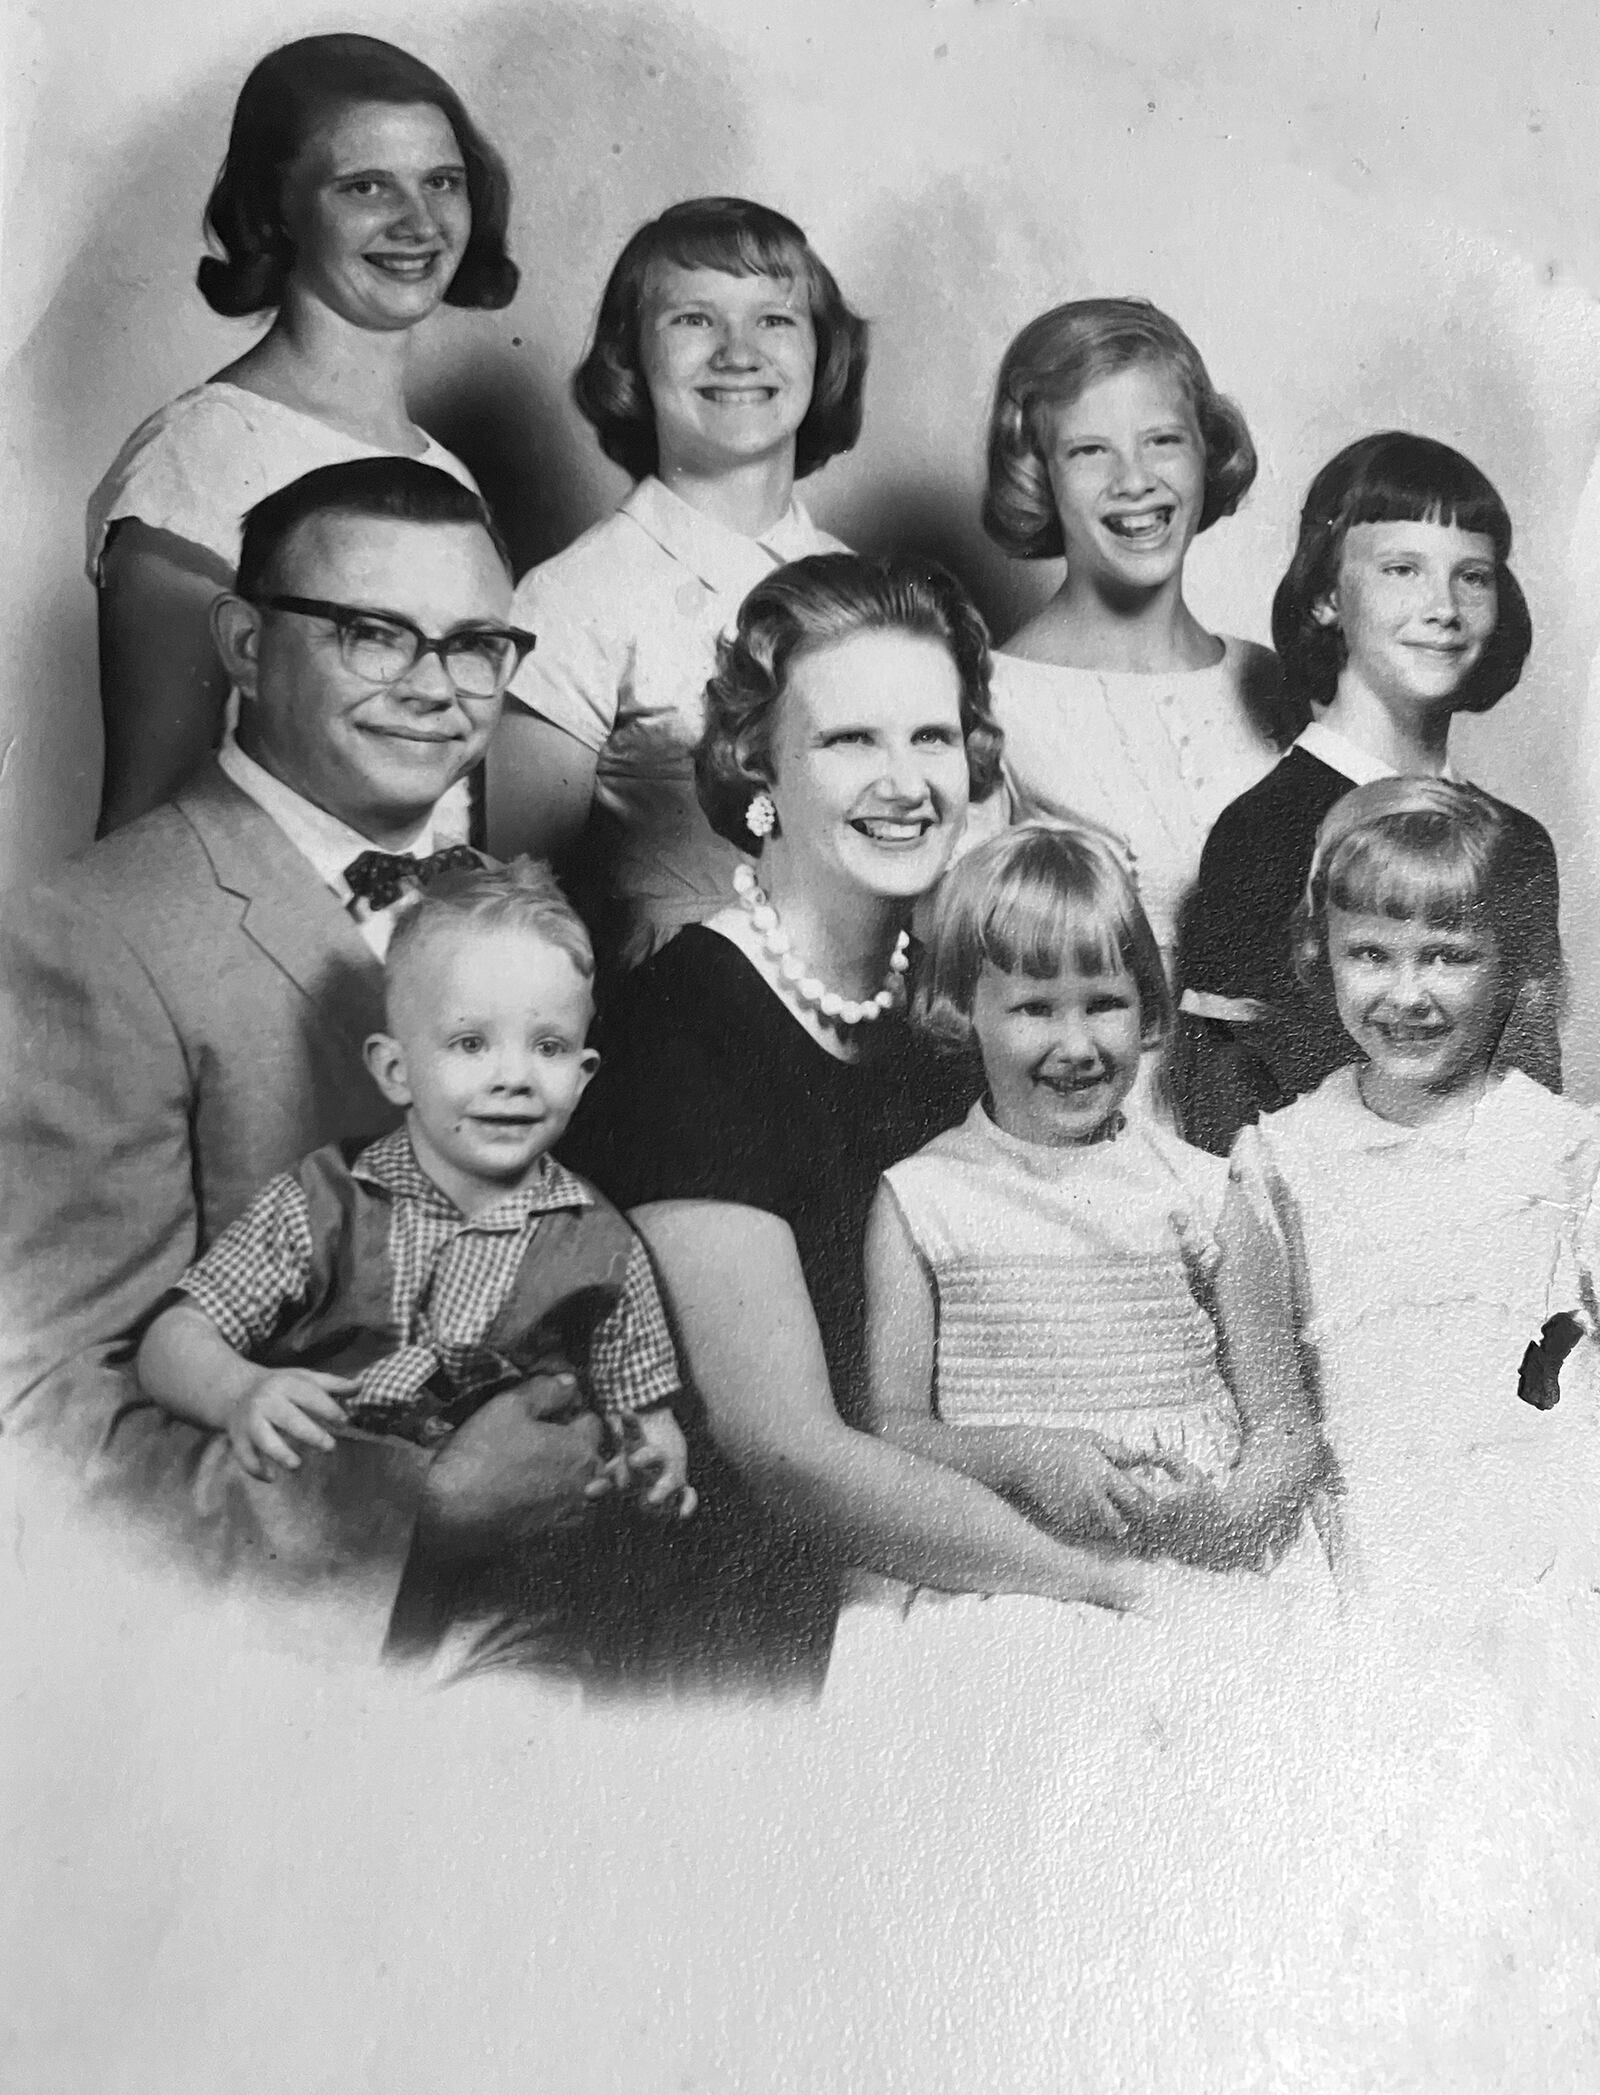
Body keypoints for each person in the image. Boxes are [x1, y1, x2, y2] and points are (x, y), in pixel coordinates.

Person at [0, 459, 611, 1637]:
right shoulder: (85, 937)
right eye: (375, 635)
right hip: (277, 1683)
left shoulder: (510, 912)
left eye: (477, 643)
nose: (437, 688)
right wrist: (417, 1507)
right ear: (242, 643)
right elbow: (43, 1430)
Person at [559, 552, 1138, 1692]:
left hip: (930, 1573)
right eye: (849, 741)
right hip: (723, 1616)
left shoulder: (950, 1013)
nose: (905, 781)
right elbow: (790, 1454)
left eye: (930, 737)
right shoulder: (680, 1032)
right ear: (757, 769)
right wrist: (1107, 1584)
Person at [856, 822, 1322, 1583]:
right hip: (1010, 1568)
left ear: (1147, 1007)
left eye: (1103, 1002)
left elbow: (1286, 1426)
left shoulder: (1206, 1191)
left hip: (1195, 1559)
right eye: (1035, 1009)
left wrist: (1231, 1516)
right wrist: (1021, 1457)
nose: (1076, 1045)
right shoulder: (922, 1198)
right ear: (961, 1010)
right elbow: (892, 1428)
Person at [88, 34, 517, 834]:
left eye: (442, 183)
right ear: (275, 207)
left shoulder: (449, 477)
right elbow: (147, 833)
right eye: (365, 187)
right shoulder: (200, 458)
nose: (418, 223)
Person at [1229, 778, 1592, 1627]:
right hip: (1367, 1574)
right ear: (1323, 953)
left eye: (1449, 954)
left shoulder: (1572, 1153)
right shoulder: (1279, 1162)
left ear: (1515, 963)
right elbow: (1277, 1422)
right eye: (1372, 953)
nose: (1408, 993)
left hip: (1549, 1572)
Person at [486, 197, 868, 970]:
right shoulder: (570, 599)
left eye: (775, 319)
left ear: (822, 353)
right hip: (666, 1037)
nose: (738, 351)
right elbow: (515, 908)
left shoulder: (867, 591)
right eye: (694, 319)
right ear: (631, 358)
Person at [1175, 431, 1561, 1154]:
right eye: (1402, 569)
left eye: (1472, 576)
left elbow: (1537, 1101)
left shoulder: (1520, 843)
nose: (1443, 605)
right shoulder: (1264, 831)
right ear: (1325, 595)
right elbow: (1225, 1123)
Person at [980, 298, 1287, 990]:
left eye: (1163, 440)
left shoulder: (1270, 679)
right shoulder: (990, 698)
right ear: (1039, 475)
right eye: (1089, 451)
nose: (1135, 480)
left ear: (1208, 450)